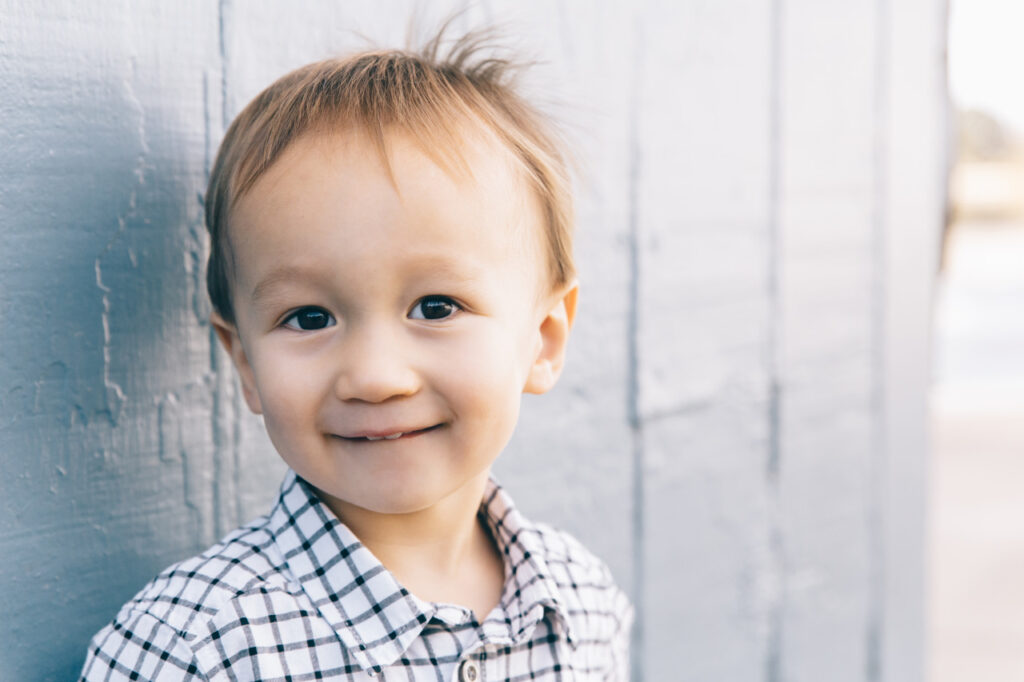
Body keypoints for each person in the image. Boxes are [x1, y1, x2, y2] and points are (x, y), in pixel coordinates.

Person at [80, 29, 632, 681]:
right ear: (246, 364)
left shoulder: (583, 603)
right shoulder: (189, 650)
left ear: (543, 339)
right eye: (309, 318)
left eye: (436, 306)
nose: (374, 377)